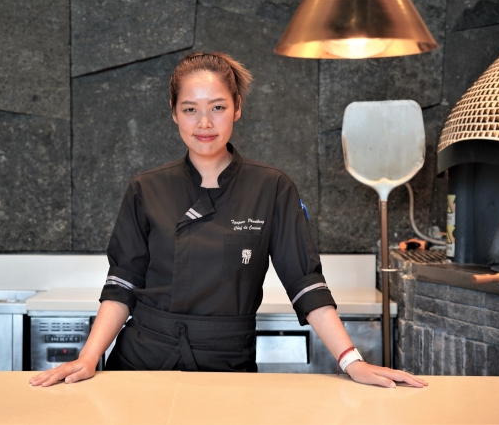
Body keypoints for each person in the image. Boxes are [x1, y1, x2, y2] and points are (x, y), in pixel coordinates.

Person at [29, 52, 427, 388]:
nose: (205, 123)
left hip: (227, 363)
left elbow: (306, 283)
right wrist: (89, 357)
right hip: (142, 360)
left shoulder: (271, 187)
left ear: (237, 107)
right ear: (174, 114)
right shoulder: (146, 188)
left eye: (217, 107)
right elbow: (122, 284)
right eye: (191, 110)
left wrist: (351, 361)